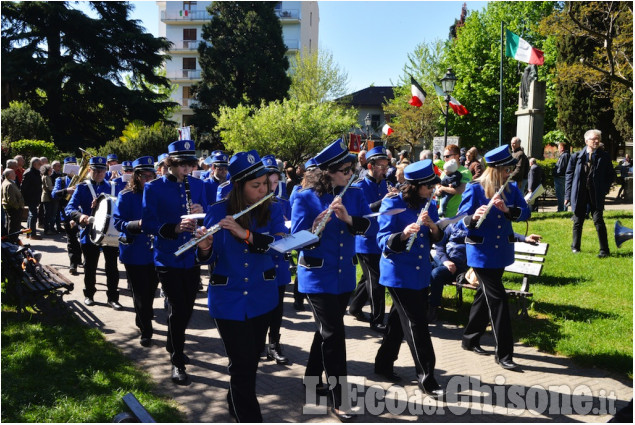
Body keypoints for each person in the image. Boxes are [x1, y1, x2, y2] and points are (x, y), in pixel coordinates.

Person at [195, 150, 286, 422]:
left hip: (262, 298)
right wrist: (204, 247)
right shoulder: (217, 212)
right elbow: (208, 257)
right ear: (239, 187)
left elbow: (279, 247)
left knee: (247, 365)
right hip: (228, 301)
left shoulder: (274, 210)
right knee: (242, 364)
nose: (262, 191)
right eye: (255, 186)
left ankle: (235, 405)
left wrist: (245, 234)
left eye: (265, 185)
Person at [291, 138, 371, 421]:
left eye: (351, 169)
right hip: (316, 276)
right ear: (327, 172)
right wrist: (316, 228)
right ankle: (340, 399)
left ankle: (312, 378)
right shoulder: (304, 197)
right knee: (334, 335)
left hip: (344, 276)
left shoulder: (355, 193)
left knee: (326, 331)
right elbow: (298, 239)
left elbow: (365, 226)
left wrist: (348, 219)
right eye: (344, 170)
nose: (350, 174)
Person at [373, 159, 445, 398]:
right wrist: (403, 235)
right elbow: (382, 240)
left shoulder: (428, 204)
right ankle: (427, 376)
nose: (431, 189)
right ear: (415, 186)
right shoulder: (392, 203)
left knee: (397, 320)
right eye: (427, 186)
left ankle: (383, 363)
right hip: (398, 273)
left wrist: (432, 226)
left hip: (420, 272)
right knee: (417, 323)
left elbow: (435, 237)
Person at [457, 145, 531, 371]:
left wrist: (508, 210)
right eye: (507, 168)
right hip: (481, 254)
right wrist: (473, 217)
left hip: (501, 252)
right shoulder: (476, 188)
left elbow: (525, 212)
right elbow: (459, 222)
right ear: (496, 169)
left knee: (484, 296)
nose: (510, 172)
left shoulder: (512, 189)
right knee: (498, 300)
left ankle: (470, 338)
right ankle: (504, 353)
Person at [142, 140, 207, 384]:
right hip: (167, 255)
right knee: (179, 307)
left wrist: (201, 212)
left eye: (189, 166)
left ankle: (173, 341)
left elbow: (208, 215)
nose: (186, 171)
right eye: (181, 166)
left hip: (191, 256)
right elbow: (148, 224)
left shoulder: (198, 185)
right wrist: (174, 227)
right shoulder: (154, 188)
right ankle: (177, 360)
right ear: (170, 164)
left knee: (187, 308)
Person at [429, 221, 542, 322]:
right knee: (425, 270)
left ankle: (433, 309)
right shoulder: (452, 226)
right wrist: (445, 261)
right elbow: (440, 245)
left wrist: (525, 238)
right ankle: (422, 304)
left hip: (458, 268)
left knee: (436, 274)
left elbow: (503, 235)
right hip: (442, 262)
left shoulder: (480, 228)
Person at [113, 156, 159, 348]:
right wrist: (138, 224)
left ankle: (142, 318)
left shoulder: (159, 194)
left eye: (151, 175)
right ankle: (146, 330)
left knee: (150, 291)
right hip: (135, 251)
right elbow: (118, 223)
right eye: (144, 176)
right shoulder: (126, 196)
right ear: (136, 176)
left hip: (156, 251)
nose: (148, 179)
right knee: (140, 292)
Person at [65, 156, 122, 309]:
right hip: (89, 232)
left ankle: (113, 298)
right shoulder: (82, 187)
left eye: (102, 170)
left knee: (112, 267)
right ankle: (89, 295)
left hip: (110, 233)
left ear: (106, 171)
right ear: (89, 170)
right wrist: (81, 216)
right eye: (95, 170)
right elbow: (69, 208)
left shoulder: (113, 186)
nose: (99, 173)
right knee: (90, 267)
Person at [349, 146, 391, 333]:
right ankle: (377, 319)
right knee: (376, 280)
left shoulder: (384, 184)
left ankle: (355, 307)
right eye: (381, 166)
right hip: (365, 240)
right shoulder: (359, 186)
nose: (384, 170)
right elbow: (362, 212)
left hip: (380, 238)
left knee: (367, 278)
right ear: (370, 166)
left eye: (386, 166)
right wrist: (384, 202)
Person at [565, 129, 616, 258]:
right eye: (594, 139)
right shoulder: (576, 157)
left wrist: (603, 189)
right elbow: (569, 176)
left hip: (596, 195)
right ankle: (575, 247)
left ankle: (604, 250)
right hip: (580, 194)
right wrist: (567, 195)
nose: (597, 141)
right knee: (578, 221)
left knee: (598, 220)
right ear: (586, 141)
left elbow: (611, 175)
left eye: (598, 138)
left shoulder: (604, 156)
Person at [261, 154, 292, 365]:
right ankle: (258, 343)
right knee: (261, 307)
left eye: (275, 182)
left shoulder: (282, 203)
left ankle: (274, 344)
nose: (272, 187)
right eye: (267, 183)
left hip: (279, 263)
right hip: (261, 264)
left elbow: (290, 229)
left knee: (277, 308)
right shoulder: (253, 206)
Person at [52, 157, 83, 275]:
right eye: (69, 166)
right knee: (71, 240)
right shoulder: (61, 180)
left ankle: (79, 258)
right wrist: (66, 190)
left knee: (82, 238)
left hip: (81, 213)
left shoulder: (83, 180)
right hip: (67, 213)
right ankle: (73, 264)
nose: (72, 168)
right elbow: (54, 194)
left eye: (74, 165)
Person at [435, 144, 472, 218]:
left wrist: (442, 188)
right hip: (441, 215)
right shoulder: (446, 171)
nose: (445, 159)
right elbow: (439, 186)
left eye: (447, 156)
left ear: (457, 156)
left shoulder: (465, 172)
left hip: (456, 215)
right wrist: (437, 191)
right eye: (444, 156)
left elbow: (461, 190)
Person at [21, 157, 43, 240]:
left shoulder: (35, 172)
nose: (41, 165)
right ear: (34, 164)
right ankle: (32, 234)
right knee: (33, 215)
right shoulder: (29, 173)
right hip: (31, 197)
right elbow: (23, 187)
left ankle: (28, 233)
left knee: (31, 215)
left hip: (35, 197)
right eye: (39, 164)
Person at [1, 168, 25, 243]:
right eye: (13, 173)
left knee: (12, 225)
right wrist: (18, 207)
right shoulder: (9, 184)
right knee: (14, 226)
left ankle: (12, 240)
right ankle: (12, 241)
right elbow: (11, 199)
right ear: (9, 175)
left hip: (13, 208)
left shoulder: (8, 182)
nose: (15, 174)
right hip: (14, 209)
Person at [553, 142, 570, 212]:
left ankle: (561, 209)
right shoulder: (565, 155)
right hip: (562, 177)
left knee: (560, 195)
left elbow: (562, 167)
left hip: (561, 177)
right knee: (562, 194)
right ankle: (562, 208)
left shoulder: (564, 156)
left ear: (562, 148)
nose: (558, 149)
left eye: (559, 147)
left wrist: (556, 173)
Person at [40, 164, 56, 235]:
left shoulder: (46, 176)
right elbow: (49, 187)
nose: (51, 170)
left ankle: (48, 229)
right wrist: (56, 188)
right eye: (50, 170)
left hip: (46, 198)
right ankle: (47, 230)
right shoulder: (46, 177)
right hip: (47, 198)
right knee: (47, 215)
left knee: (48, 214)